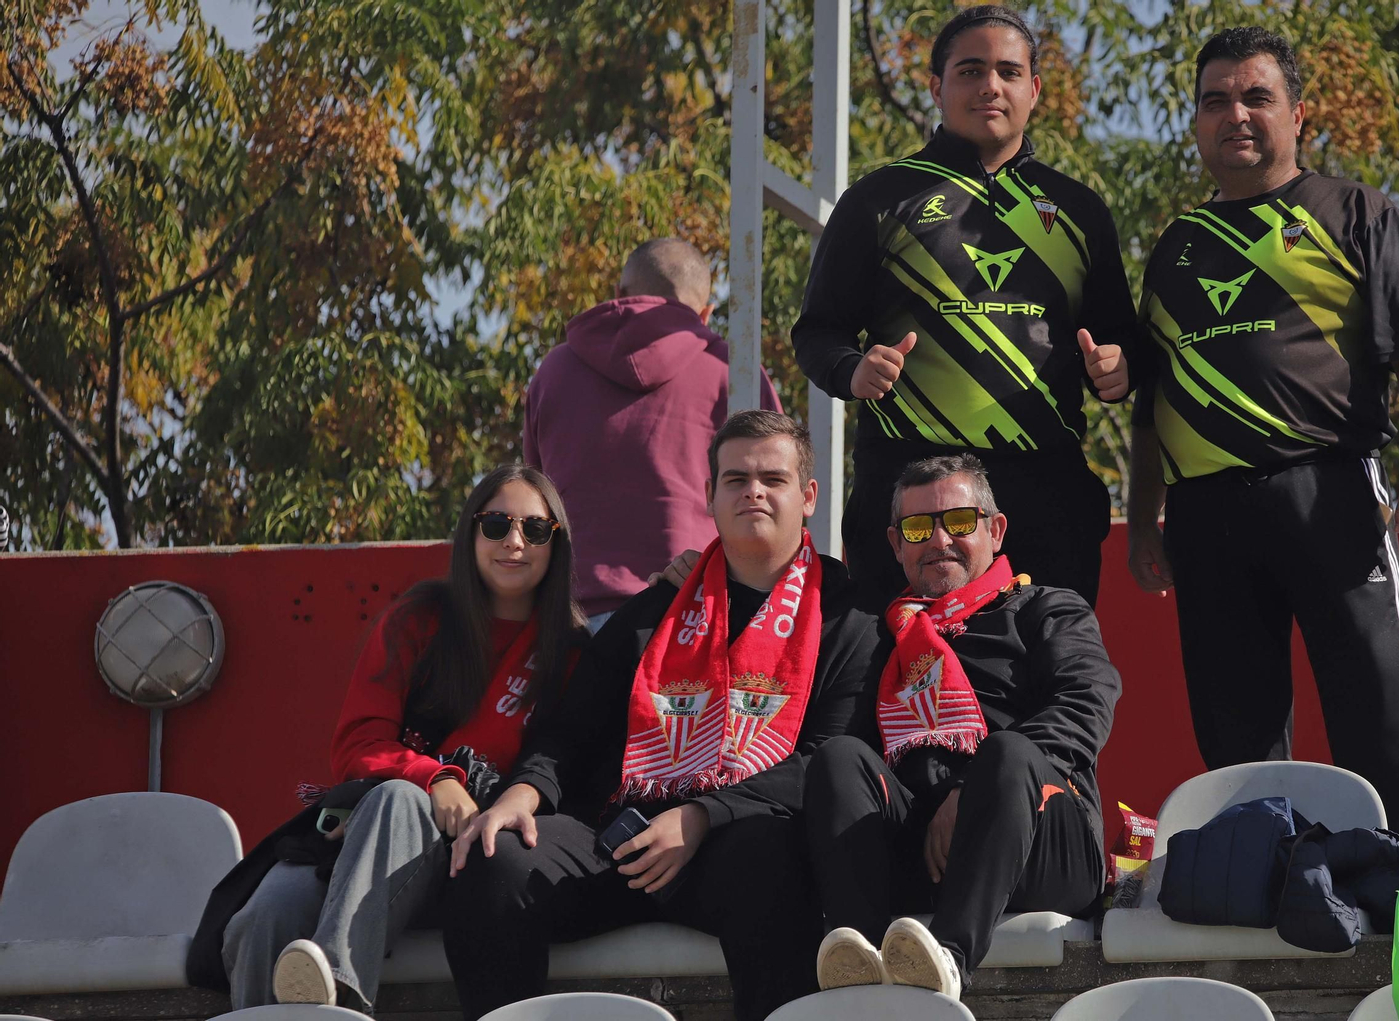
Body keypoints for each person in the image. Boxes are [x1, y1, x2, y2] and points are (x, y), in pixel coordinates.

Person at [1124, 27, 1399, 849]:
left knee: (1373, 700)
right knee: (1234, 729)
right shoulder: (1174, 248)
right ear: (1196, 123)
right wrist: (1141, 518)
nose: (1234, 114)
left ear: (1298, 113)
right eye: (1215, 101)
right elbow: (1151, 399)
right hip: (1203, 514)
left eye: (1255, 97)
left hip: (1329, 491)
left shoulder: (1357, 211)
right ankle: (1264, 885)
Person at [442, 410, 885, 1021]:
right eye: (735, 479)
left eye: (773, 479)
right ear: (709, 495)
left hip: (740, 847)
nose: (753, 492)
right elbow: (569, 732)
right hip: (620, 839)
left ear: (808, 497)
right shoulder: (656, 609)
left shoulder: (852, 619)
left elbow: (824, 765)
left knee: (770, 856)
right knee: (496, 855)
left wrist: (704, 815)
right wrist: (522, 793)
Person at [791, 4, 1139, 611]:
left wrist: (1119, 367)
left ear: (1034, 89)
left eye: (1009, 72)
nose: (990, 86)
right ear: (936, 88)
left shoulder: (1079, 209)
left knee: (1049, 665)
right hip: (907, 487)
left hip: (1047, 490)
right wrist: (852, 370)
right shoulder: (878, 199)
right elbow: (818, 331)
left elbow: (1121, 338)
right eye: (971, 71)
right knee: (900, 667)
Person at [217, 465, 586, 1009]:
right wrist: (436, 779)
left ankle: (337, 997)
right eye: (496, 525)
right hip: (368, 834)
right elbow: (358, 743)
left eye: (534, 529)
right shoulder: (420, 619)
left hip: (480, 860)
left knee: (397, 797)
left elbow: (565, 770)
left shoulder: (572, 654)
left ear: (556, 543)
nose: (514, 542)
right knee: (264, 916)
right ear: (470, 533)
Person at [805, 454, 1119, 998]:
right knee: (837, 759)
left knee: (1008, 752)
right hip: (925, 850)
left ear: (995, 531)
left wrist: (968, 792)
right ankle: (865, 964)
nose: (939, 540)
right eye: (918, 528)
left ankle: (948, 961)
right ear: (896, 545)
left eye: (958, 522)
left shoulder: (1047, 610)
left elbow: (1085, 705)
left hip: (1040, 842)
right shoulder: (881, 635)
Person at [523, 238, 781, 631]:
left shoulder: (553, 371)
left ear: (618, 294)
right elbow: (777, 495)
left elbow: (532, 495)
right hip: (690, 611)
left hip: (570, 618)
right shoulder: (735, 374)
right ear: (705, 313)